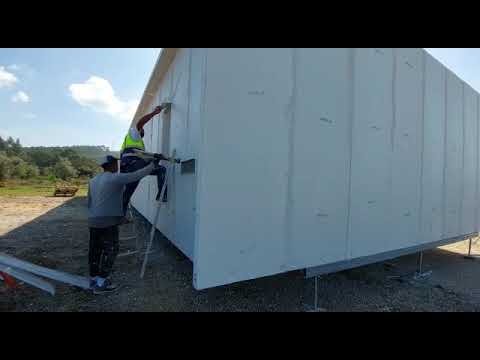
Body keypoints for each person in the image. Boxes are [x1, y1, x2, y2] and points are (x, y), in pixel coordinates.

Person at [87, 155, 161, 294]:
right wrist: (153, 165)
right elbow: (136, 175)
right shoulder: (115, 177)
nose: (118, 166)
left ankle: (93, 279)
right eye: (116, 163)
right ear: (112, 165)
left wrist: (116, 217)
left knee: (95, 250)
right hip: (107, 222)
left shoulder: (93, 180)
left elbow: (90, 202)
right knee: (111, 250)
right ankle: (102, 283)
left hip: (93, 221)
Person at [120, 104, 169, 215]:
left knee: (127, 193)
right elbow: (140, 123)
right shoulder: (134, 134)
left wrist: (156, 156)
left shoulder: (132, 144)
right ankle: (162, 195)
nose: (142, 133)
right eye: (142, 132)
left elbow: (142, 156)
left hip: (129, 168)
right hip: (134, 164)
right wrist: (154, 113)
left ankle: (120, 216)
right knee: (161, 170)